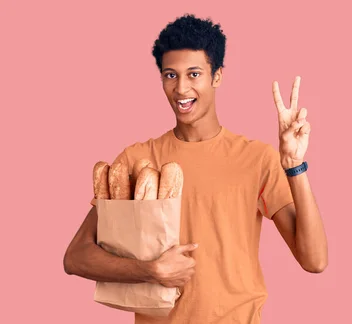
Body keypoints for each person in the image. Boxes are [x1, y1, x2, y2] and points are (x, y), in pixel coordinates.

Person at [63, 14, 328, 323]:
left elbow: (315, 260)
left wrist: (294, 165)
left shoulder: (256, 158)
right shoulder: (137, 160)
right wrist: (149, 270)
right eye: (170, 75)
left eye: (194, 74)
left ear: (216, 77)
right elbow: (76, 257)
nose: (180, 88)